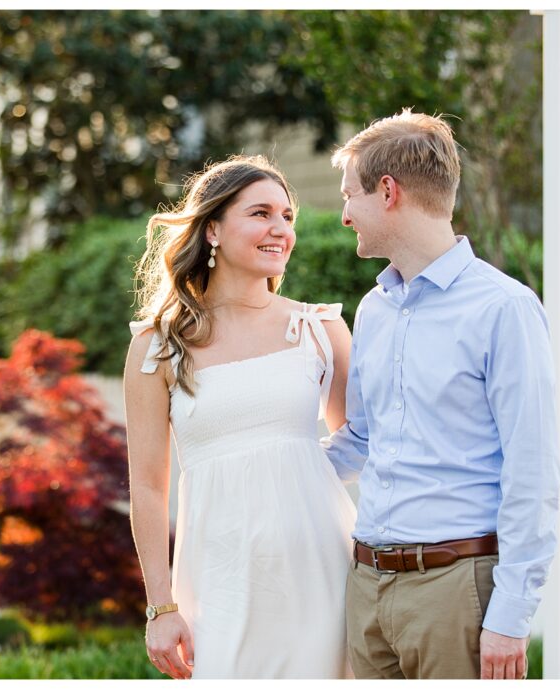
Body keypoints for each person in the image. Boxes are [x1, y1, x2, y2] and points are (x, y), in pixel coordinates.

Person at [321, 109, 560, 680]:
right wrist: (268, 466)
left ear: (388, 191)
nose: (345, 213)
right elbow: (362, 437)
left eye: (349, 195)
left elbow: (532, 471)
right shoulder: (374, 309)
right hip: (366, 586)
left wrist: (510, 615)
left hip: (455, 589)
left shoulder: (504, 309)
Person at [123, 155, 356, 679]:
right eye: (261, 213)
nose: (281, 229)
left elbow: (363, 448)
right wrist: (160, 606)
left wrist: (291, 467)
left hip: (321, 567)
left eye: (288, 216)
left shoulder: (321, 330)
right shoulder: (156, 346)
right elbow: (148, 486)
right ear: (212, 229)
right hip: (217, 577)